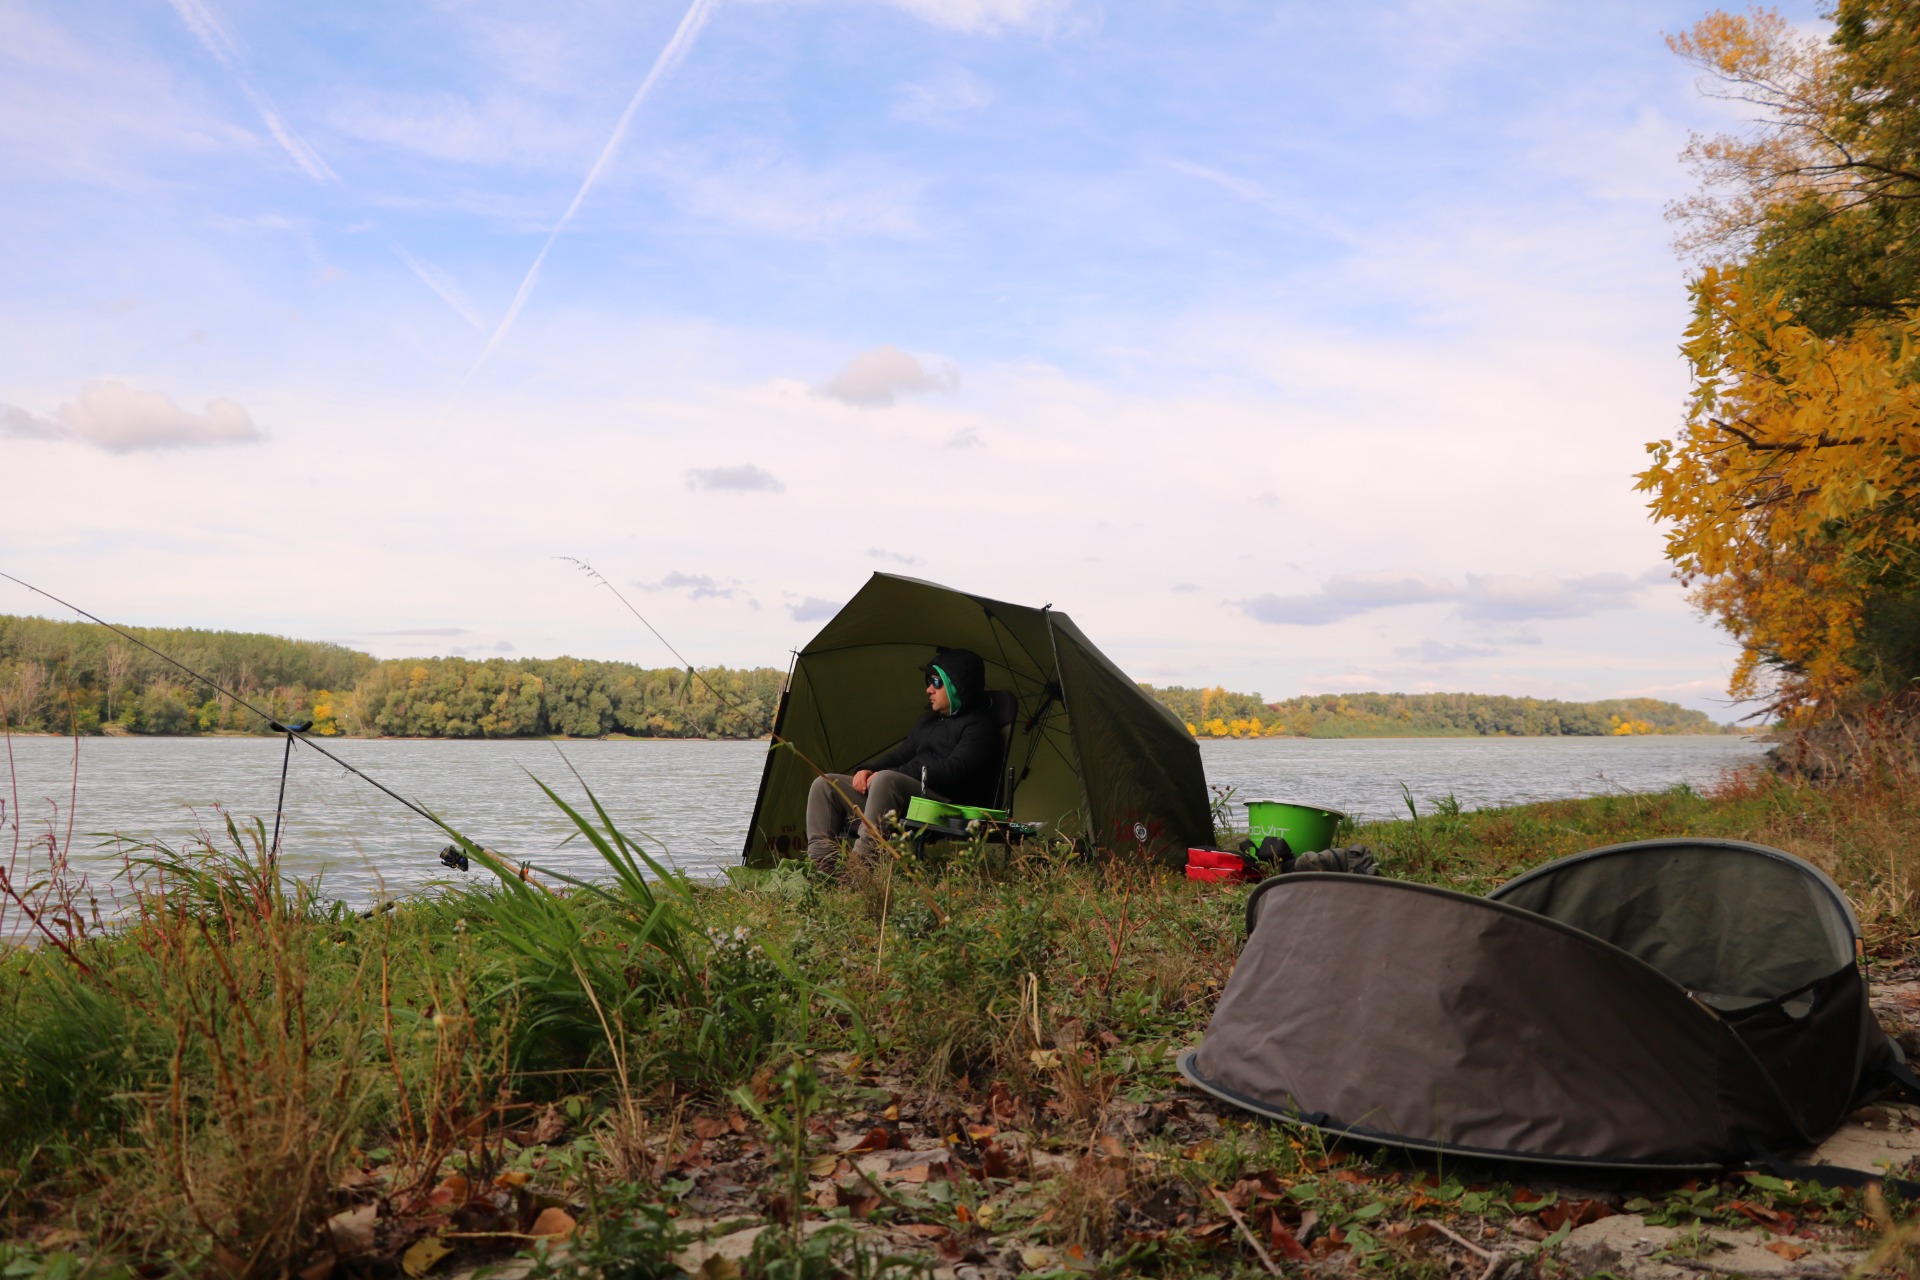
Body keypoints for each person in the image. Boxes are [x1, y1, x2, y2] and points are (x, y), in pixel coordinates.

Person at [805, 647, 1000, 875]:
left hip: (946, 801)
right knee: (826, 785)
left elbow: (955, 770)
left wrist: (894, 774)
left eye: (936, 682)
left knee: (886, 780)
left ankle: (860, 869)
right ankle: (823, 864)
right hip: (906, 793)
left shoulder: (980, 727)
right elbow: (900, 754)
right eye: (928, 681)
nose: (928, 689)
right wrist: (868, 770)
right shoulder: (929, 720)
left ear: (957, 684)